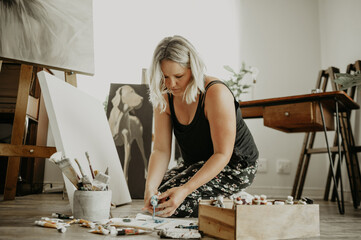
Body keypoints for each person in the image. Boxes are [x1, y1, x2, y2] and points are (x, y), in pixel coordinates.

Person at [142, 35, 258, 218]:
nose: (171, 84)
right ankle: (220, 198)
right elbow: (161, 150)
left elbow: (222, 154)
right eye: (165, 77)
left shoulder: (215, 93)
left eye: (178, 76)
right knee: (160, 198)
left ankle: (235, 200)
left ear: (193, 68)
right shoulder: (165, 96)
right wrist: (150, 188)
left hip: (234, 167)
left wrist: (185, 189)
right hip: (195, 164)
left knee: (176, 206)